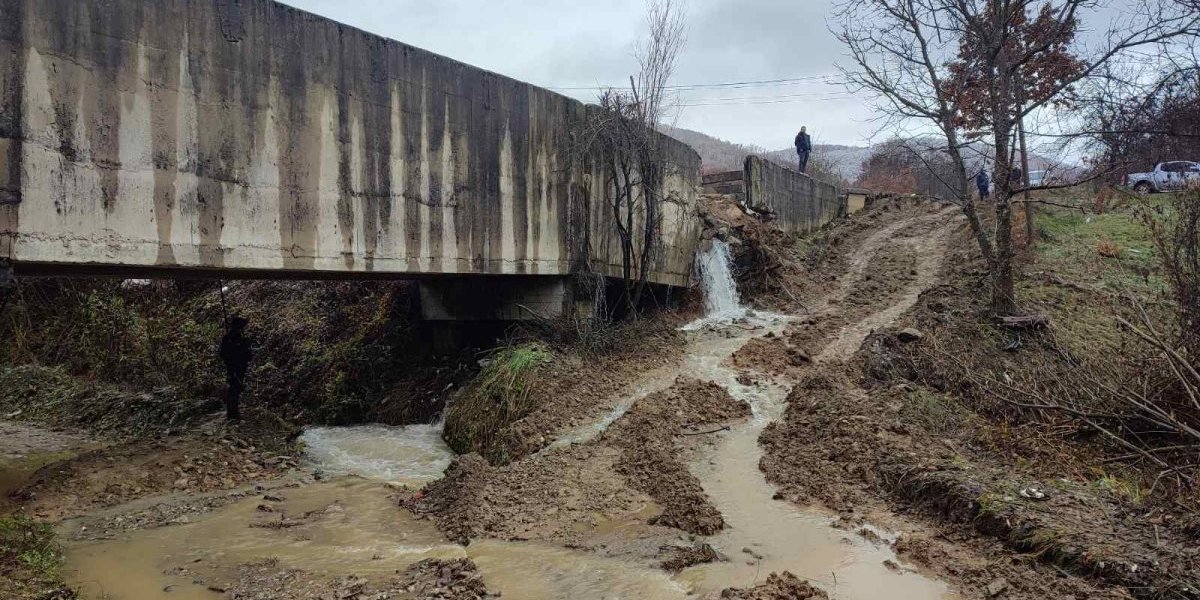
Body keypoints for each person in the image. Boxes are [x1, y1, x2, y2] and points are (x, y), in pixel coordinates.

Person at [218, 316, 253, 422]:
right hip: (233, 367)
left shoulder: (239, 339)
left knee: (236, 389)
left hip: (239, 367)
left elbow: (247, 354)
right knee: (234, 389)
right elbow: (223, 354)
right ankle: (232, 413)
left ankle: (233, 412)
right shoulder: (230, 339)